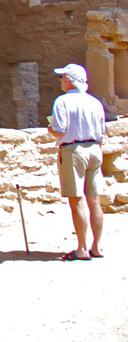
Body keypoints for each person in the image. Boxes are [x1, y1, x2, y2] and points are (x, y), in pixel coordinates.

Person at [48, 63, 106, 261]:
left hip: (74, 150)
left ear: (70, 80)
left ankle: (81, 248)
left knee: (77, 200)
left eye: (63, 77)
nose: (61, 80)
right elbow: (101, 133)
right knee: (94, 199)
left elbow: (59, 130)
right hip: (95, 149)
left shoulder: (62, 102)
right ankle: (96, 247)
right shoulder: (95, 102)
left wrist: (50, 130)